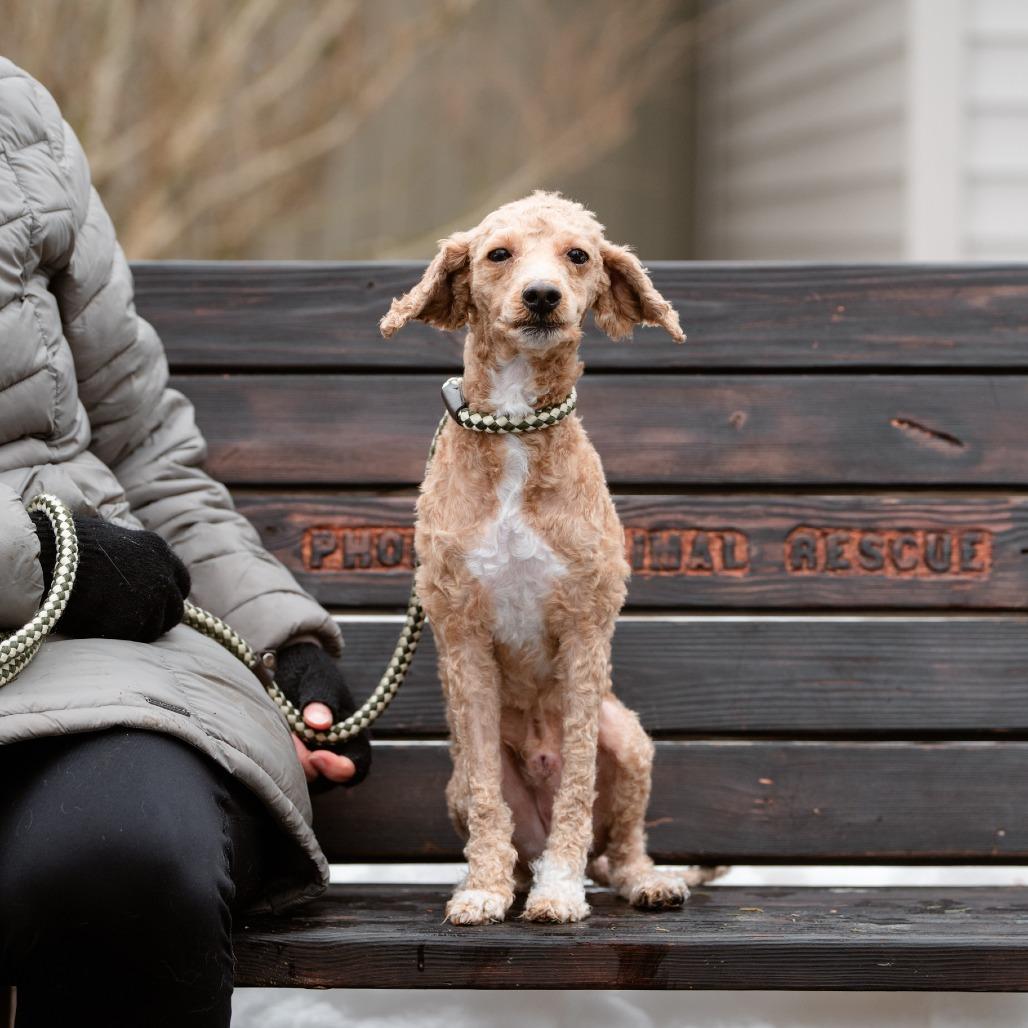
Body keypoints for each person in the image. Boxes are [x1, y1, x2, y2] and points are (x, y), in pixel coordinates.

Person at [0, 58, 371, 1027]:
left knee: (122, 858)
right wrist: (45, 558)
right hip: (58, 593)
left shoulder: (17, 117)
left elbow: (143, 448)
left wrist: (274, 641)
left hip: (90, 682)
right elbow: (71, 554)